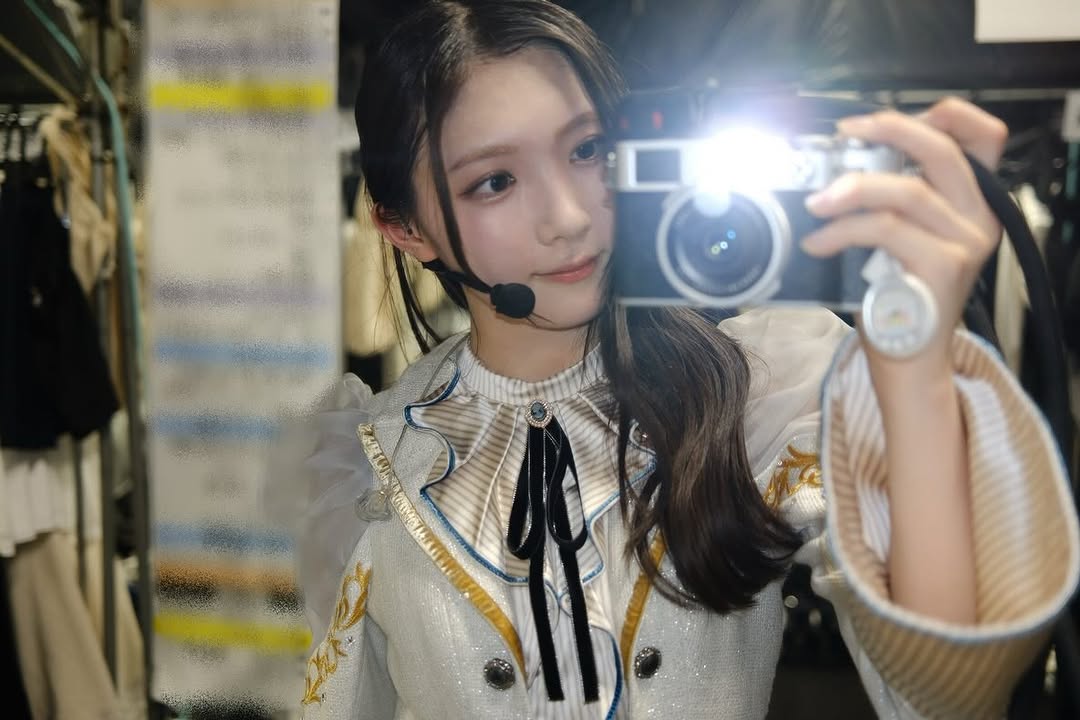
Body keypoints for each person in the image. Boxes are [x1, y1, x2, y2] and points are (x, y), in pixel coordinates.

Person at [293, 1, 1079, 718]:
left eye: (589, 149)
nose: (569, 217)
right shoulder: (366, 464)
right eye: (495, 182)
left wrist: (915, 365)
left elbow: (949, 698)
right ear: (404, 229)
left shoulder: (760, 390)